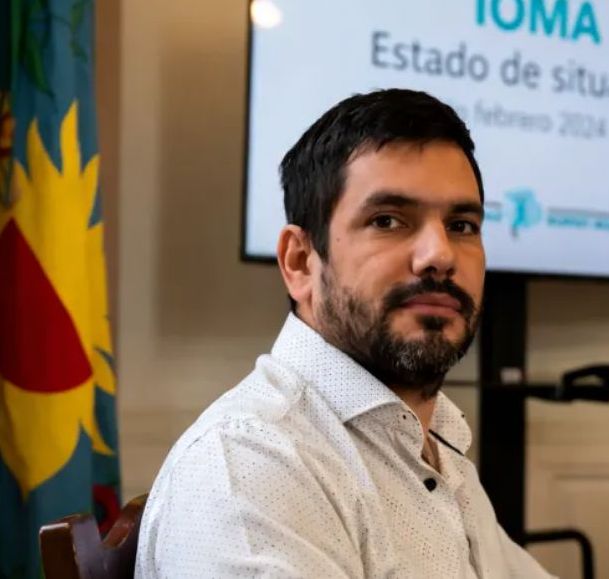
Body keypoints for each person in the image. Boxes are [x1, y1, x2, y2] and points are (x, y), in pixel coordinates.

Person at [135, 89, 554, 578]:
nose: (440, 255)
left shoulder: (430, 441)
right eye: (388, 220)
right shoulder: (250, 466)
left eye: (461, 225)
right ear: (300, 262)